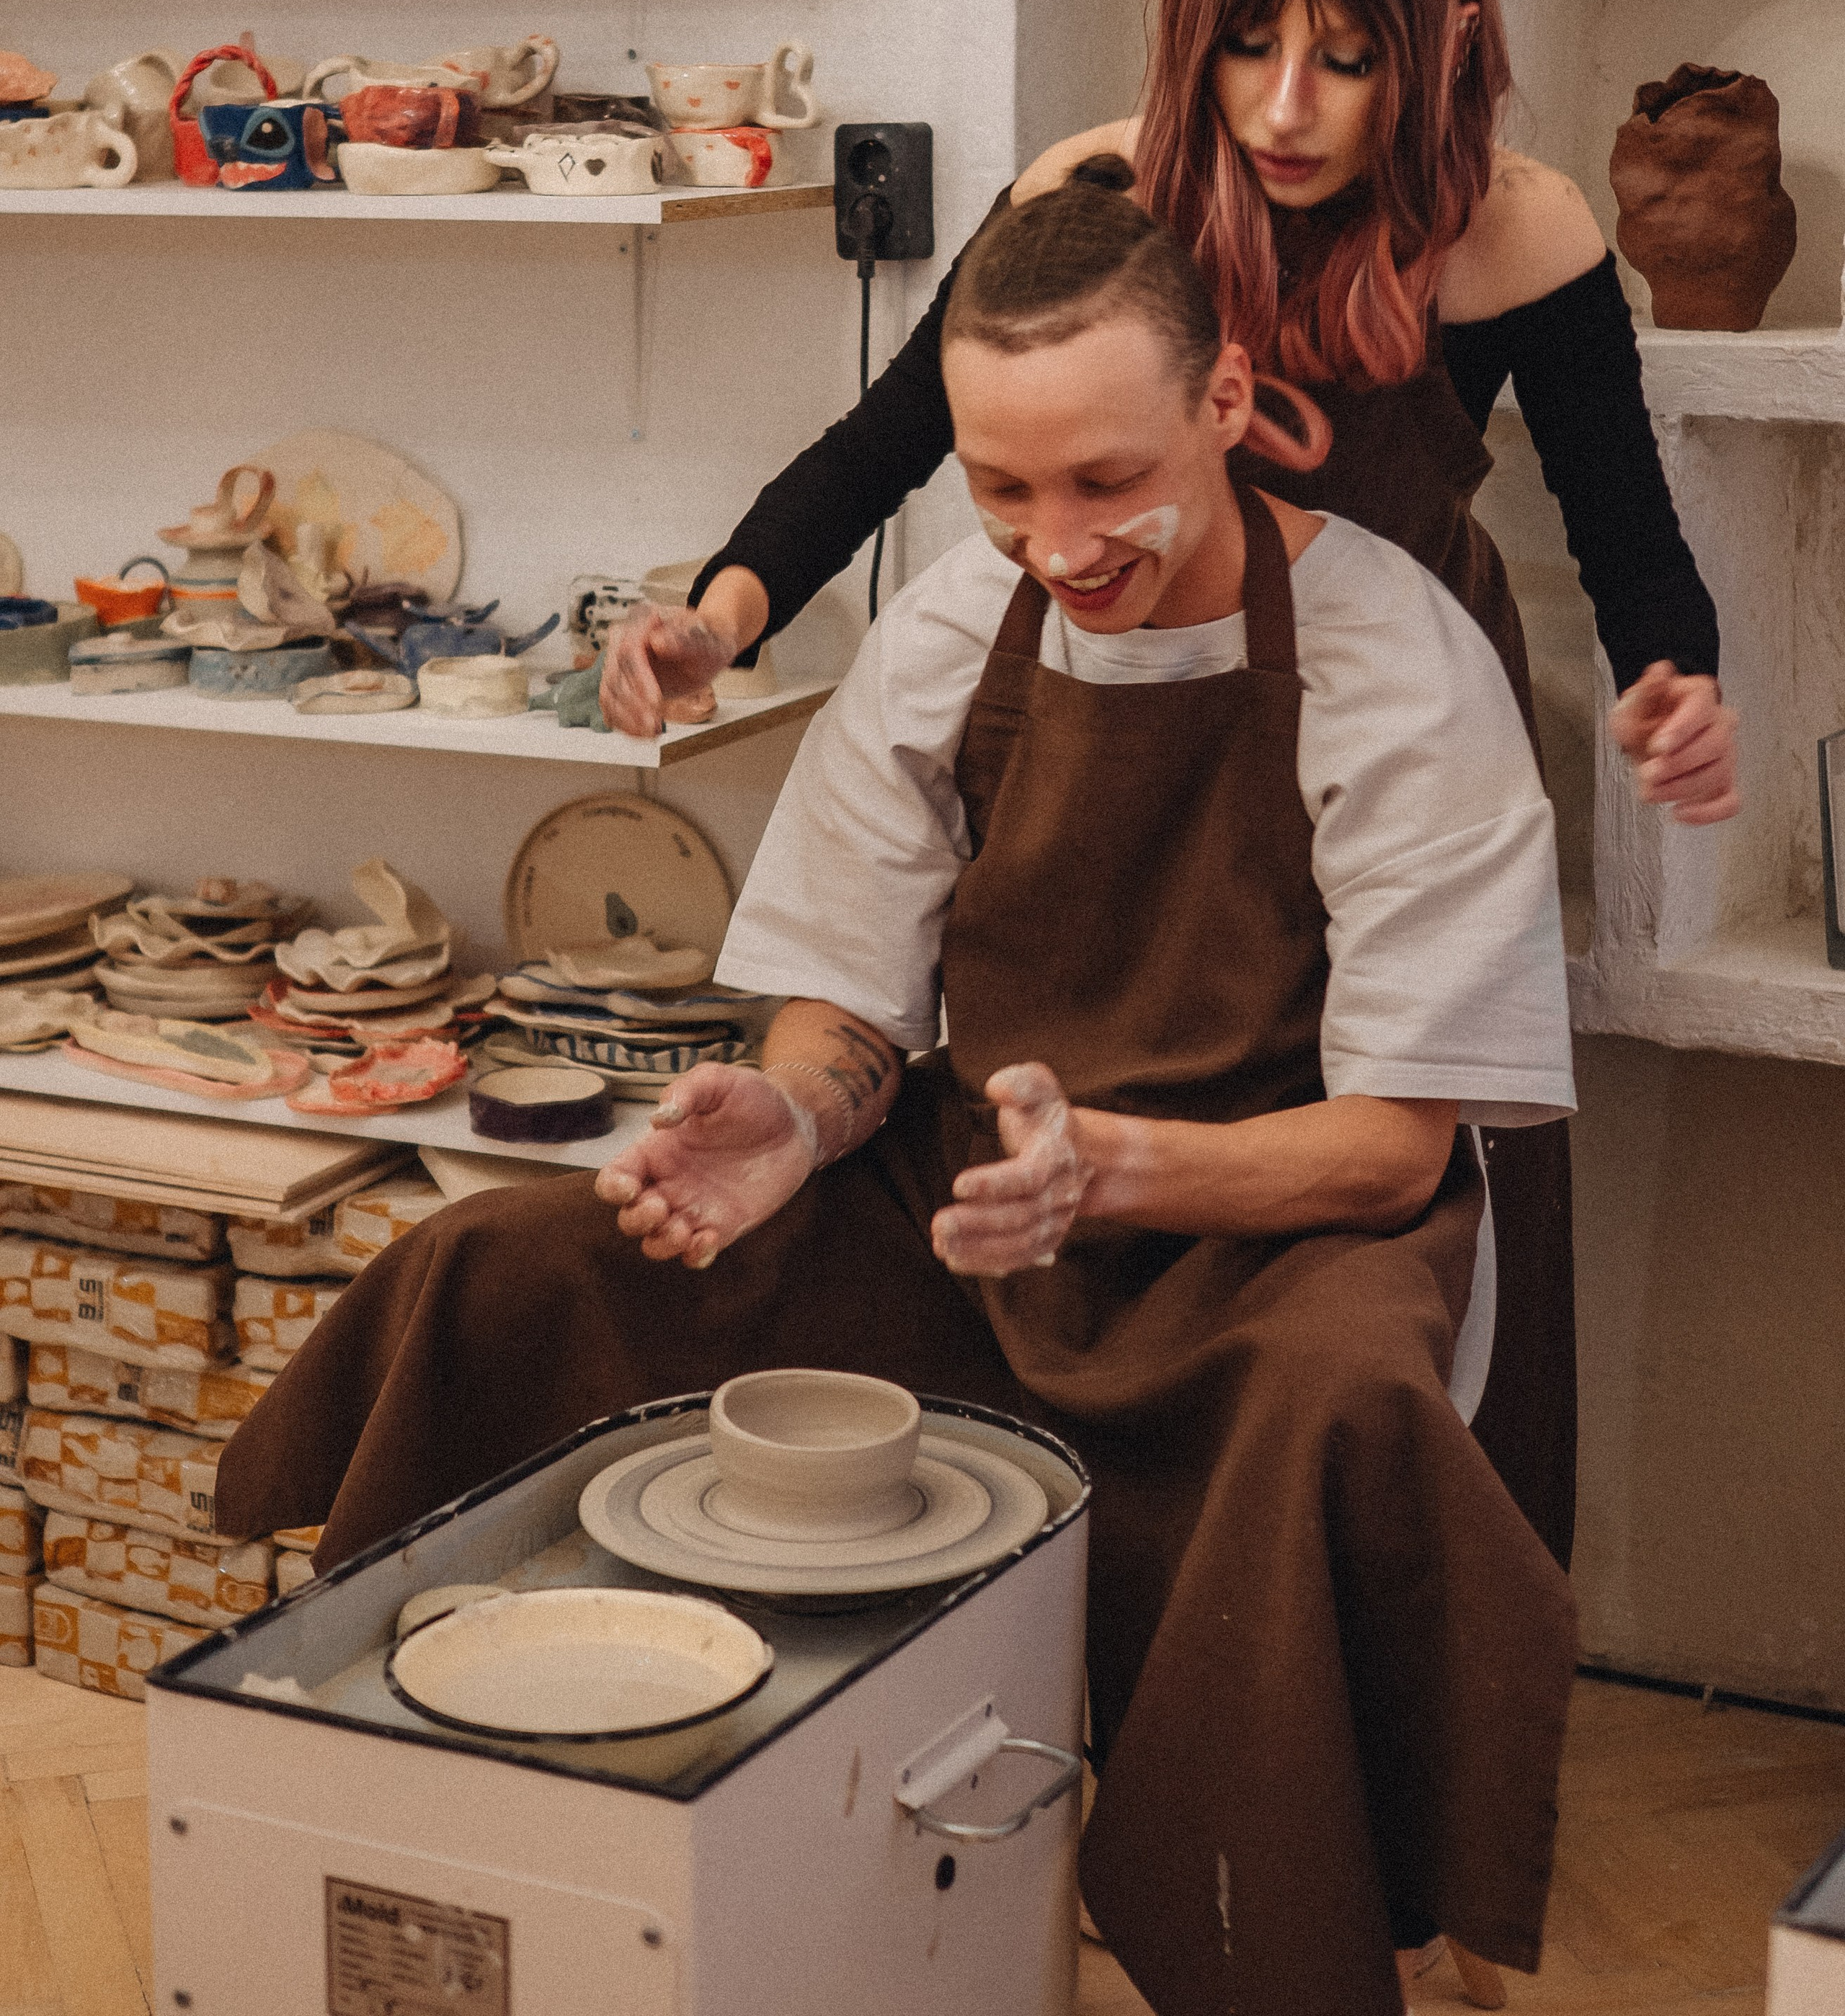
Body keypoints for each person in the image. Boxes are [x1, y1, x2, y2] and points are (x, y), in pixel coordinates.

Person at [219, 180, 1578, 2016]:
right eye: (1003, 491)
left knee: (1341, 1409)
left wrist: (1113, 1167)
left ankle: (1274, 1936)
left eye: (1105, 482)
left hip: (1277, 1225)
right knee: (510, 1266)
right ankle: (481, 1807)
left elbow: (1394, 1145)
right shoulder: (954, 635)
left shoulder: (1391, 660)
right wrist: (784, 1119)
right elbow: (848, 1007)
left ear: (1227, 403)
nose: (1056, 543)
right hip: (979, 1197)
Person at [600, 0, 1740, 1569]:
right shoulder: (1096, 181)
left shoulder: (1516, 232)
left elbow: (1626, 534)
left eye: (1345, 59)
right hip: (1115, 690)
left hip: (1377, 693)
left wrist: (1675, 677)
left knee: (1404, 1156)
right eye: (1245, 45)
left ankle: (1413, 1605)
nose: (1283, 107)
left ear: (1438, 50)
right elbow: (900, 432)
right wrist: (723, 613)